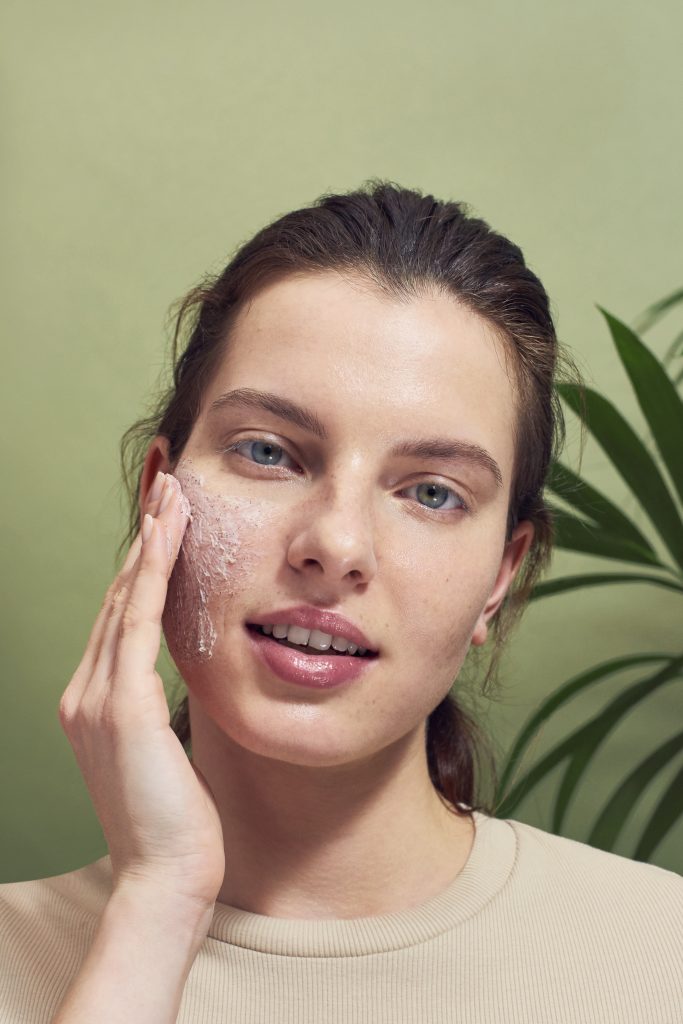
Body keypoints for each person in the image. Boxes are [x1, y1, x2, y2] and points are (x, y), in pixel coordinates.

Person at [1, 181, 680, 1023]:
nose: (336, 545)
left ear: (501, 577)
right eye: (268, 452)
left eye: (431, 493)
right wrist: (160, 900)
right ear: (159, 497)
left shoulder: (660, 958)